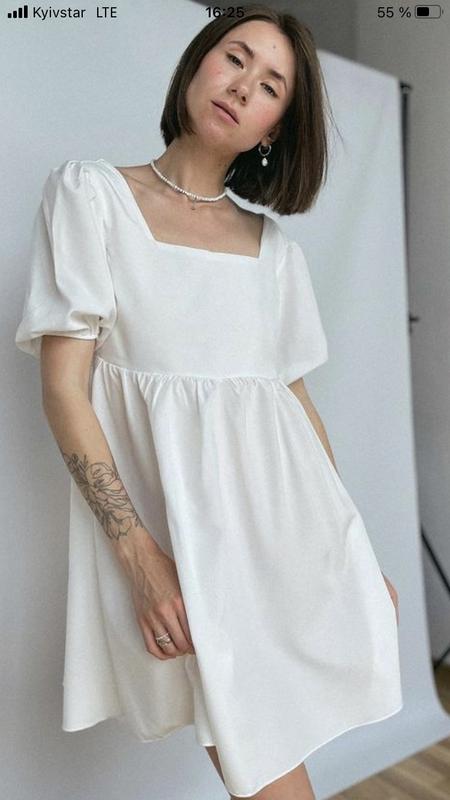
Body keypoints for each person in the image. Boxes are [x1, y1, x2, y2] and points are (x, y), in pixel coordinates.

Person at [14, 4, 403, 799]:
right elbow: (63, 389)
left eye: (272, 86)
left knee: (274, 758)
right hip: (181, 546)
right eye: (235, 57)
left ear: (273, 129)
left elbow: (293, 405)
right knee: (264, 763)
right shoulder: (92, 196)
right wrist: (140, 559)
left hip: (281, 539)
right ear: (197, 63)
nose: (243, 86)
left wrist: (354, 547)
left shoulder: (275, 253)